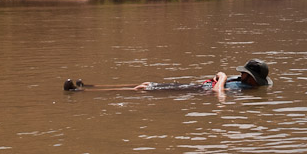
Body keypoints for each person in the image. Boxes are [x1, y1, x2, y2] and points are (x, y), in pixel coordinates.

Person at [63, 59, 272, 92]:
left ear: (250, 78)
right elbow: (218, 80)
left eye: (244, 74)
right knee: (146, 84)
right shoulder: (244, 84)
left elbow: (219, 95)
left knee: (143, 89)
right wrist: (219, 75)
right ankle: (89, 87)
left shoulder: (243, 91)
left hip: (195, 91)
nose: (241, 76)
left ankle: (78, 92)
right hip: (194, 86)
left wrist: (222, 78)